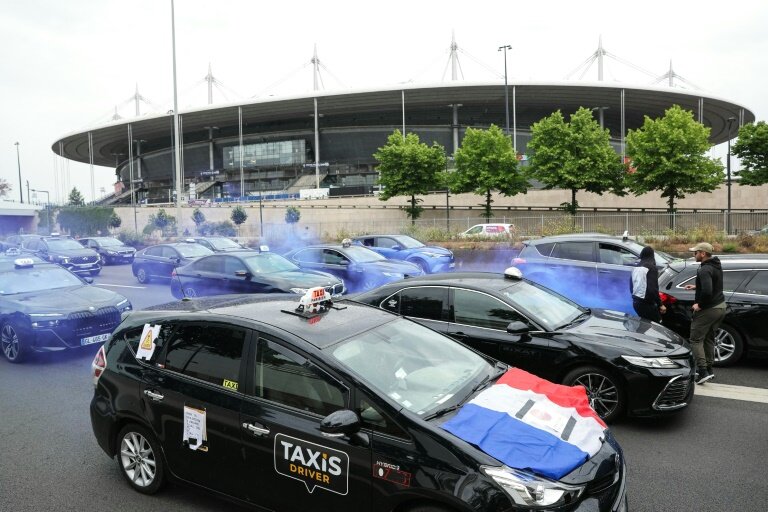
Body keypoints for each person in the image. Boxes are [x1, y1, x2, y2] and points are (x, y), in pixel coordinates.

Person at [684, 242, 726, 384]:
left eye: (695, 252)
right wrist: (697, 286)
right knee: (708, 338)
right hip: (720, 307)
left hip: (709, 309)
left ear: (703, 253)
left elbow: (708, 291)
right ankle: (709, 369)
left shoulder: (705, 269)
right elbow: (713, 285)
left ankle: (702, 371)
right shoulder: (716, 265)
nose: (694, 255)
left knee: (696, 340)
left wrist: (699, 304)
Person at [629, 246, 666, 322]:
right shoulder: (652, 268)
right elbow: (653, 289)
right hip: (646, 304)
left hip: (636, 303)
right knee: (657, 325)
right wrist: (660, 304)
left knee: (644, 326)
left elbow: (631, 287)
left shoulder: (636, 267)